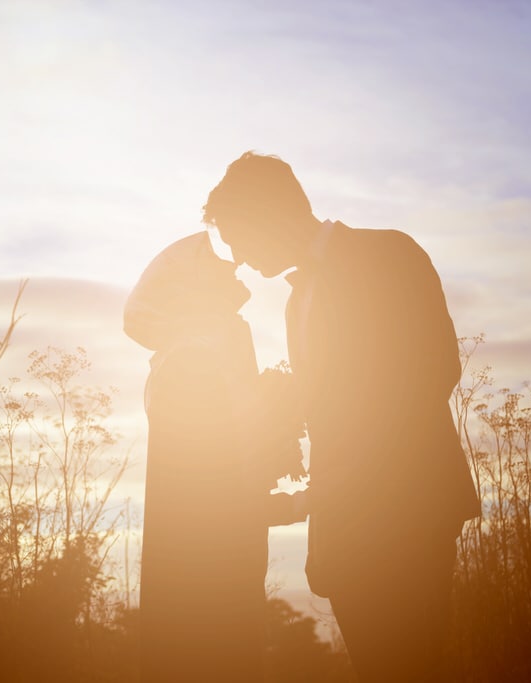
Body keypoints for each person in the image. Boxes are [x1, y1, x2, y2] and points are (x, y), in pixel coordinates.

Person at [202, 152, 481, 682]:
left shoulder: (389, 253)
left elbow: (432, 372)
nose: (236, 257)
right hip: (348, 535)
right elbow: (329, 410)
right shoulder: (295, 300)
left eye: (237, 236)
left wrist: (328, 492)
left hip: (407, 519)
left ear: (267, 213)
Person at [124, 230, 307, 683]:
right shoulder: (192, 364)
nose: (235, 270)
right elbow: (209, 495)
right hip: (204, 590)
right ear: (193, 295)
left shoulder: (199, 358)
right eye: (217, 268)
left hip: (210, 581)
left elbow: (221, 468)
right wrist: (298, 504)